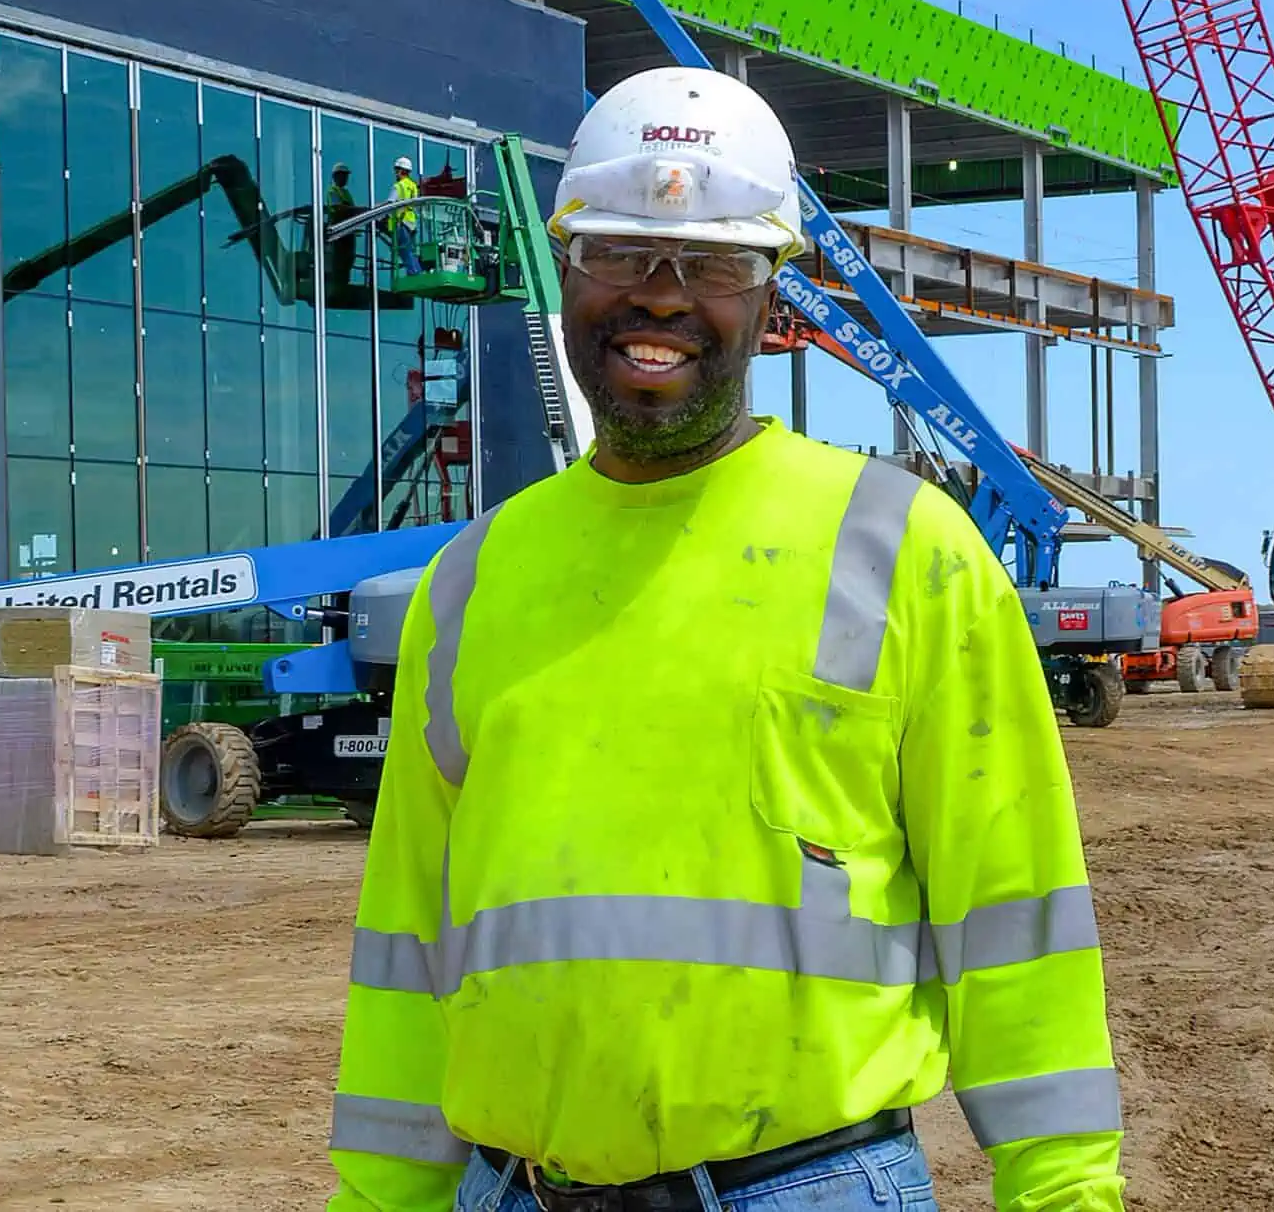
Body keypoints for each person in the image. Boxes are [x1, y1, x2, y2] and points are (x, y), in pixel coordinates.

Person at [322, 65, 1127, 1212]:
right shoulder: (470, 583)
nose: (660, 297)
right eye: (621, 254)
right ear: (567, 268)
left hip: (808, 1186)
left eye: (710, 263)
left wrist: (1065, 1192)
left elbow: (1017, 917)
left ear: (770, 297)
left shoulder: (904, 551)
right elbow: (407, 942)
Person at [388, 157, 425, 278]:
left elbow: (390, 204)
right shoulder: (413, 186)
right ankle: (417, 271)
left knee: (404, 250)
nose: (396, 173)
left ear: (401, 171)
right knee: (410, 250)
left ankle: (414, 273)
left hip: (401, 222)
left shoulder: (398, 186)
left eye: (397, 170)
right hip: (411, 223)